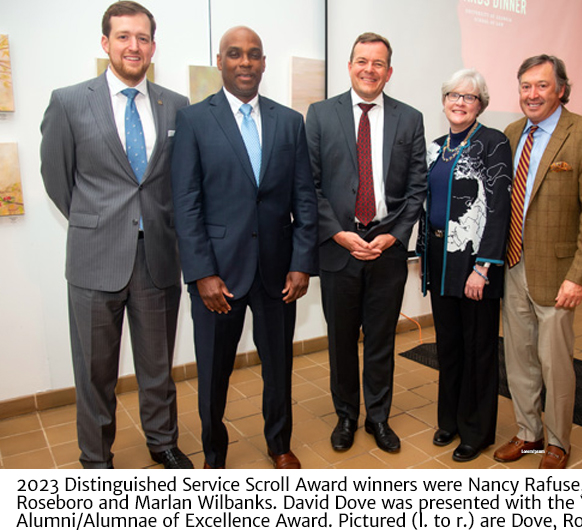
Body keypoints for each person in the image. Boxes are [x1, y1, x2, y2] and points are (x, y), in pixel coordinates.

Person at [40, 1, 192, 469]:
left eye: (142, 37)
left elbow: (178, 181)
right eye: (123, 36)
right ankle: (95, 457)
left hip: (157, 259)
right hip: (94, 259)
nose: (134, 46)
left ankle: (163, 441)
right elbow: (56, 177)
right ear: (105, 43)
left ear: (152, 46)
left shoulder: (176, 105)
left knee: (156, 368)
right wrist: (96, 222)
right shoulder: (69, 101)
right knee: (94, 373)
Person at [171, 26, 318, 470]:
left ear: (264, 62)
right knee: (214, 373)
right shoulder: (195, 120)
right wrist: (200, 274)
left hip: (277, 272)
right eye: (234, 54)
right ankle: (214, 453)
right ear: (220, 61)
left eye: (254, 55)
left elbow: (304, 199)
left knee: (278, 367)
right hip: (218, 275)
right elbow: (186, 202)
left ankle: (279, 443)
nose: (245, 63)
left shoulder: (289, 122)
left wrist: (301, 263)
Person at [305, 32, 427, 454]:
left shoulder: (409, 119)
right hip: (339, 248)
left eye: (378, 63)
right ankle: (346, 416)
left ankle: (378, 417)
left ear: (389, 71)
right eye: (362, 61)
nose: (369, 69)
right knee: (341, 341)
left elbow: (417, 188)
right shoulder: (320, 115)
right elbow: (311, 186)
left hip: (386, 251)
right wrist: (339, 234)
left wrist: (392, 237)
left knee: (380, 340)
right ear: (350, 65)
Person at [493, 54, 582, 469]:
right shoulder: (510, 134)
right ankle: (528, 434)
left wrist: (580, 276)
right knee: (519, 357)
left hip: (559, 273)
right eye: (526, 86)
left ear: (561, 89)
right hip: (512, 265)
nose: (532, 94)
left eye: (541, 86)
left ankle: (559, 441)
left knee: (555, 363)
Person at [416, 69, 512, 462]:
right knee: (450, 346)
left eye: (469, 97)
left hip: (475, 263)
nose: (459, 102)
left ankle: (477, 431)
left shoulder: (493, 143)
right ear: (444, 101)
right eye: (453, 95)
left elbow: (499, 209)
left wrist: (483, 267)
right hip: (440, 261)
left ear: (481, 104)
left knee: (479, 348)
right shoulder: (435, 147)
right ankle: (451, 420)